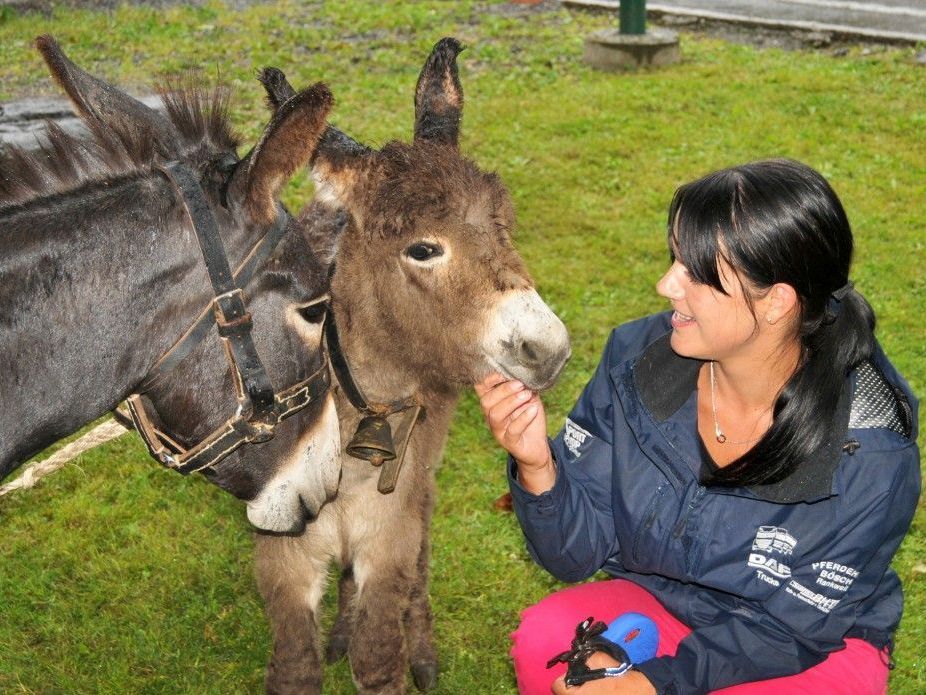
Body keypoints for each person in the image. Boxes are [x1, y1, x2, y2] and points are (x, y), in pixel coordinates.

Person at [476, 159, 920, 694]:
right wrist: (538, 466)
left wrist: (656, 683)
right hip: (668, 601)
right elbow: (575, 555)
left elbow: (790, 630)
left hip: (801, 644)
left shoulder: (868, 452)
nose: (666, 285)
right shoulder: (636, 360)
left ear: (777, 301)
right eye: (674, 260)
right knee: (545, 639)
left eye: (696, 273)